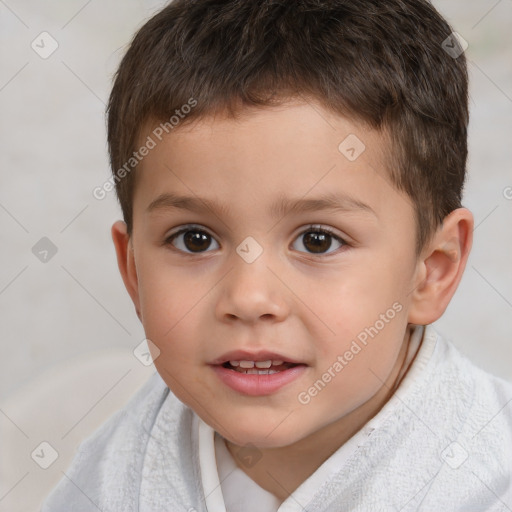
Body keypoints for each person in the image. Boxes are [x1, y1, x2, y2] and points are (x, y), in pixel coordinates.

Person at [42, 0, 512, 510]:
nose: (249, 298)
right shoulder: (114, 474)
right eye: (194, 239)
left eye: (317, 240)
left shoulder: (487, 478)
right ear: (134, 273)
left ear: (431, 272)